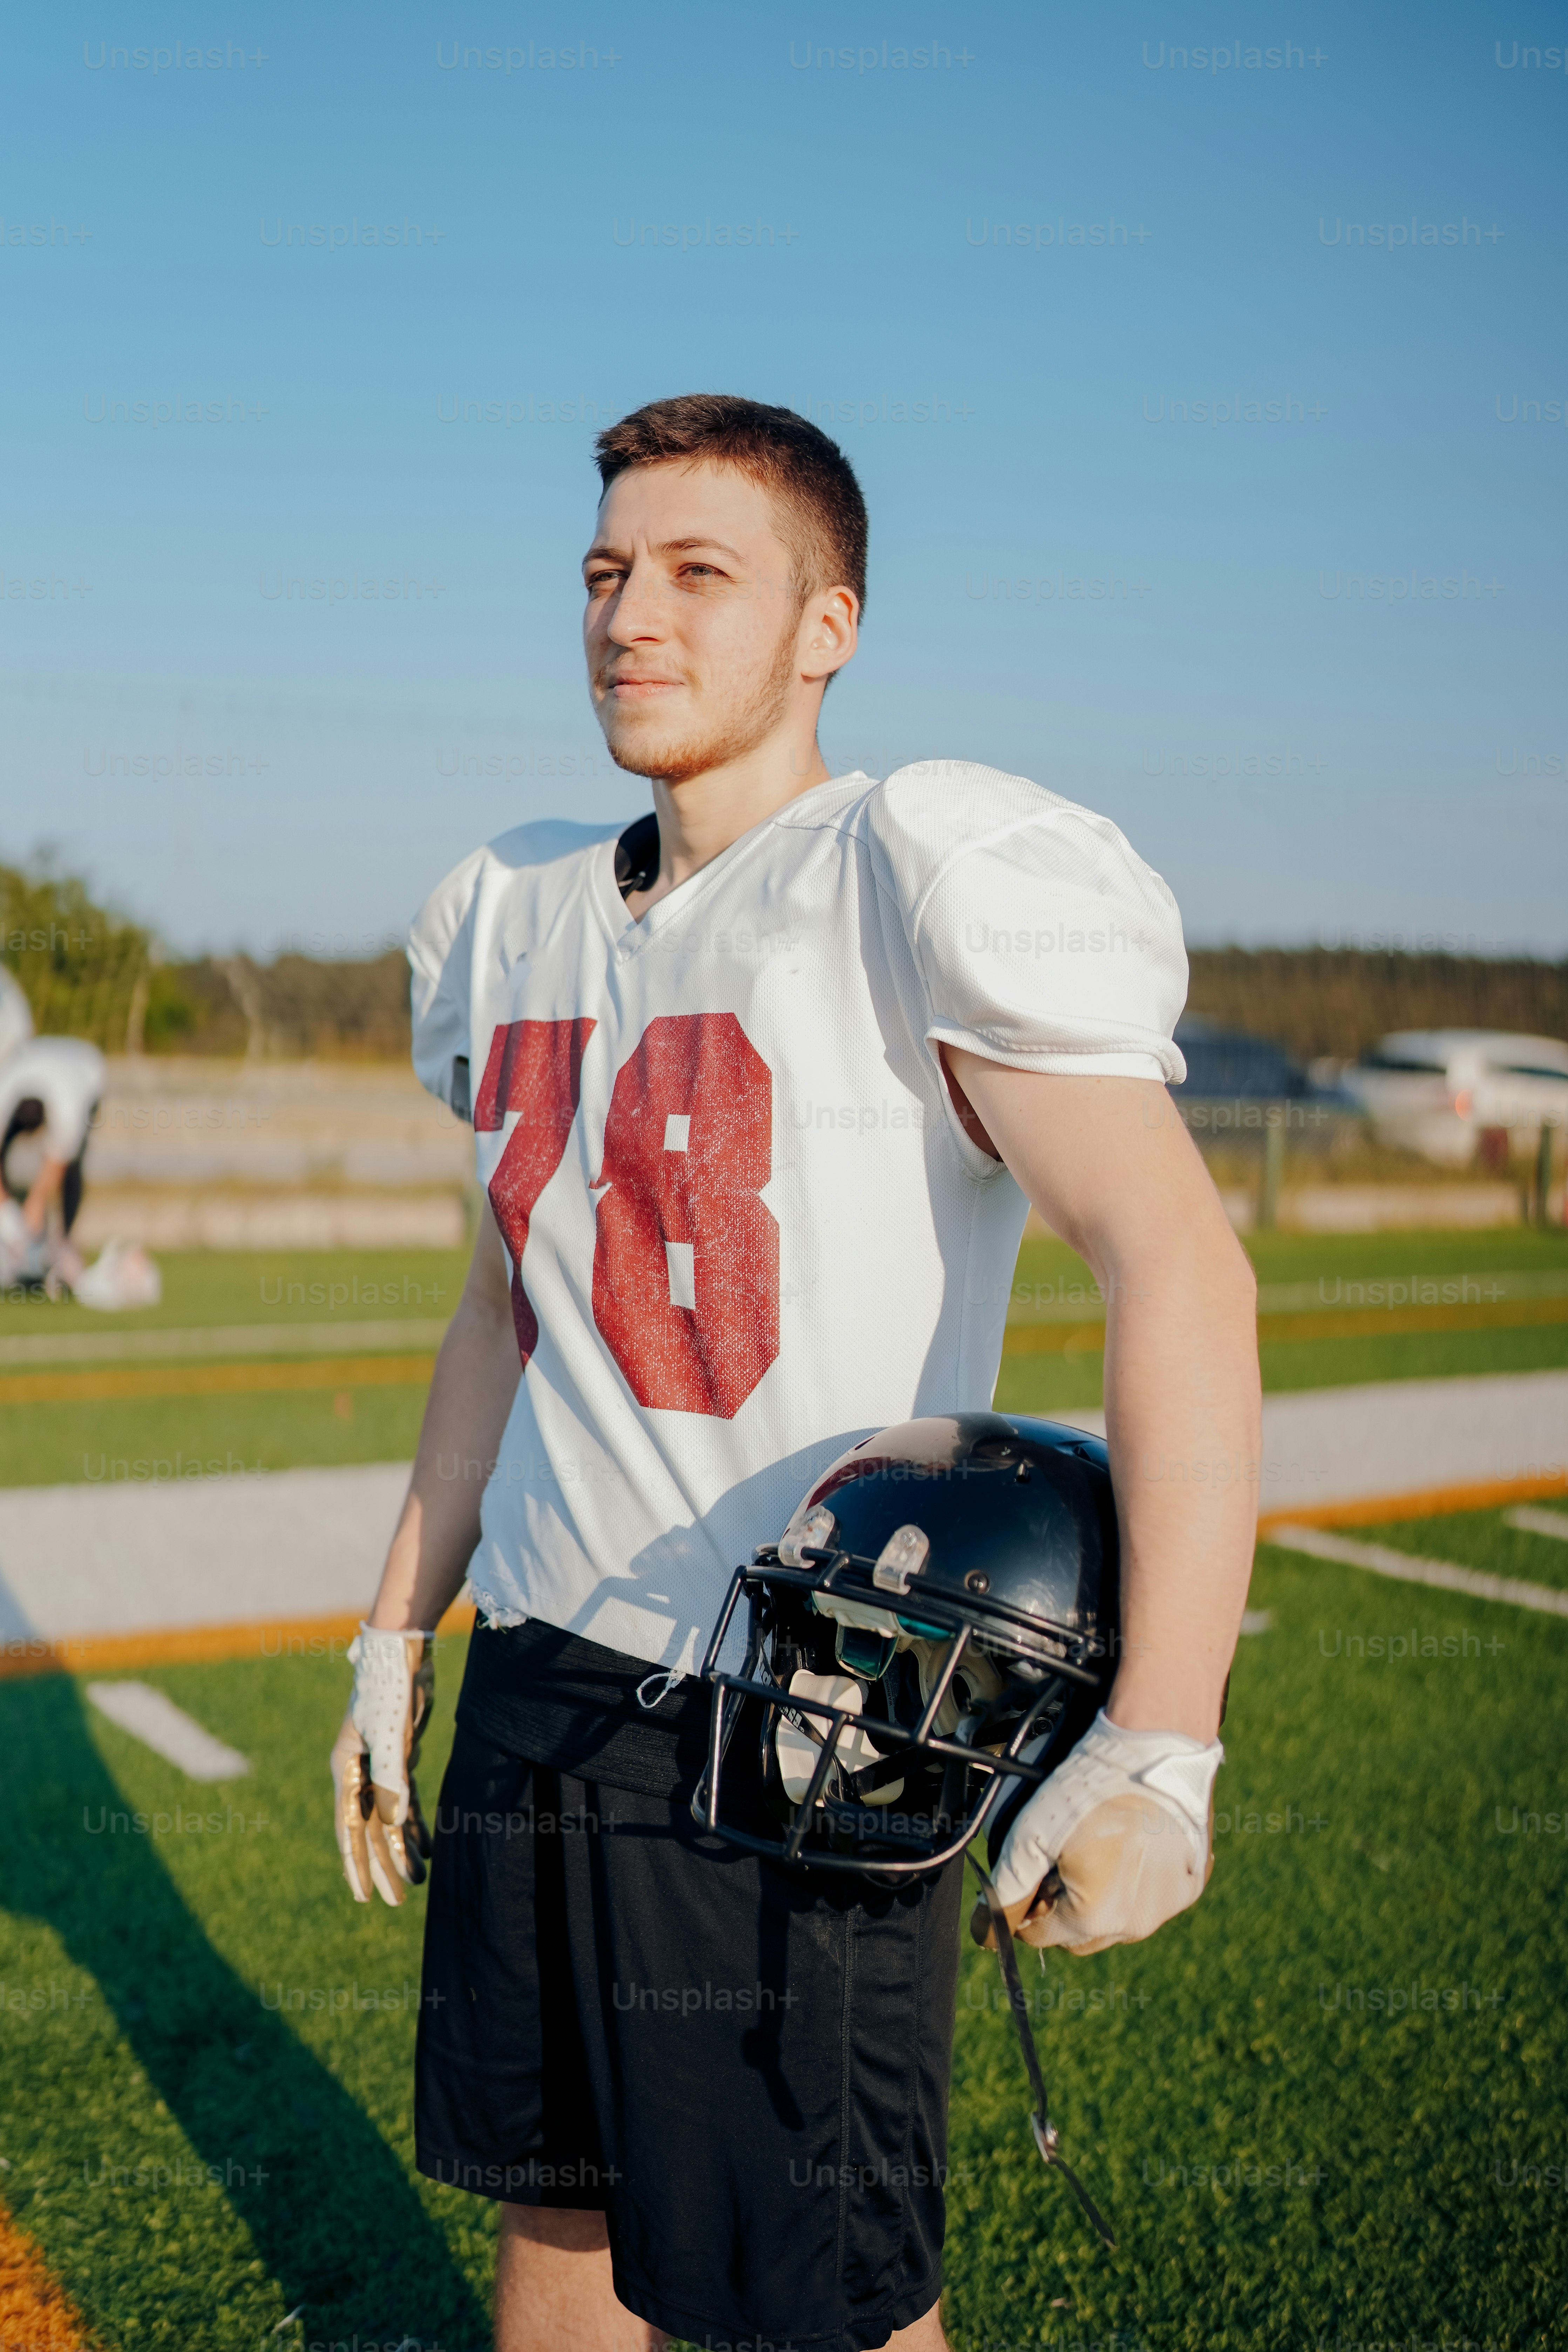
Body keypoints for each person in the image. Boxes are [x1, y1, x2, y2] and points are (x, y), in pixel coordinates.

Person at [331, 395, 1262, 2352]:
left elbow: (1179, 1261)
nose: (626, 615)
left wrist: (1163, 1737)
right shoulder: (510, 908)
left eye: (695, 571)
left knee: (821, 2306)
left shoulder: (908, 867)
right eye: (603, 572)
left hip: (798, 1717)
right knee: (557, 2228)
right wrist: (398, 1630)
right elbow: (502, 1310)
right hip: (540, 1683)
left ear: (826, 624)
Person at [0, 964, 106, 1295]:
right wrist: (6, 1213)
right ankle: (19, 1249)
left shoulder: (69, 1102)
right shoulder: (6, 1089)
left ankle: (63, 1244)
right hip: (35, 1060)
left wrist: (33, 1205)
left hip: (89, 1072)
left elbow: (58, 1158)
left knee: (72, 1168)